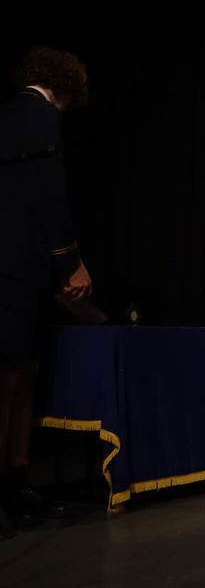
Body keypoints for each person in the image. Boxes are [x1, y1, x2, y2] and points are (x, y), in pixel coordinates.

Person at [0, 47, 91, 538]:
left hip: (24, 272)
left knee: (24, 376)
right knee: (10, 379)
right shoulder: (38, 115)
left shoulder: (17, 116)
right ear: (65, 86)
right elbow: (46, 195)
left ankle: (17, 486)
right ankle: (8, 492)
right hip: (12, 271)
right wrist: (71, 262)